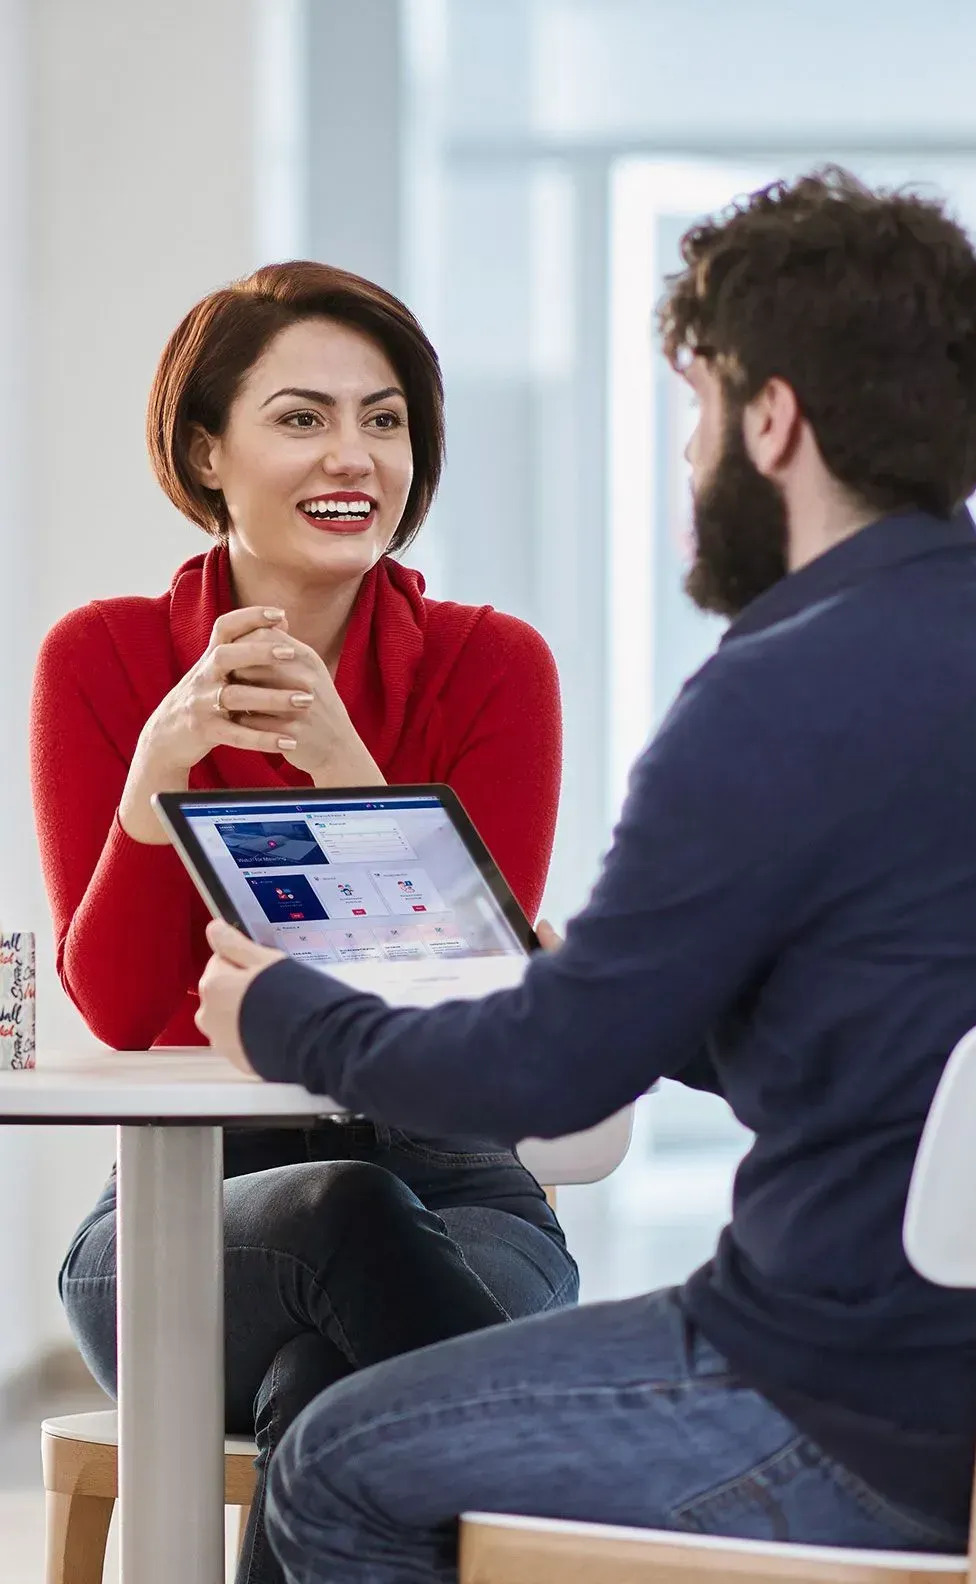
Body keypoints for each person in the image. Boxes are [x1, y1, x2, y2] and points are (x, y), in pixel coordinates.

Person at [199, 167, 976, 1583]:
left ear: (771, 420)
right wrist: (636, 990)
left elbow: (550, 1082)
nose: (691, 458)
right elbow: (928, 1036)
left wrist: (285, 1014)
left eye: (697, 409)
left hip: (846, 1405)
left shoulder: (776, 691)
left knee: (334, 1465)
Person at [29, 261, 578, 1584]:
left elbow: (477, 998)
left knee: (319, 1383)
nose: (356, 455)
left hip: (462, 1193)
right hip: (182, 1219)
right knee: (337, 1214)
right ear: (208, 451)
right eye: (304, 417)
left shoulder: (493, 666)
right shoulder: (101, 657)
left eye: (385, 420)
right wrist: (157, 783)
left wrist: (350, 779)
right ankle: (572, 1496)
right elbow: (118, 1005)